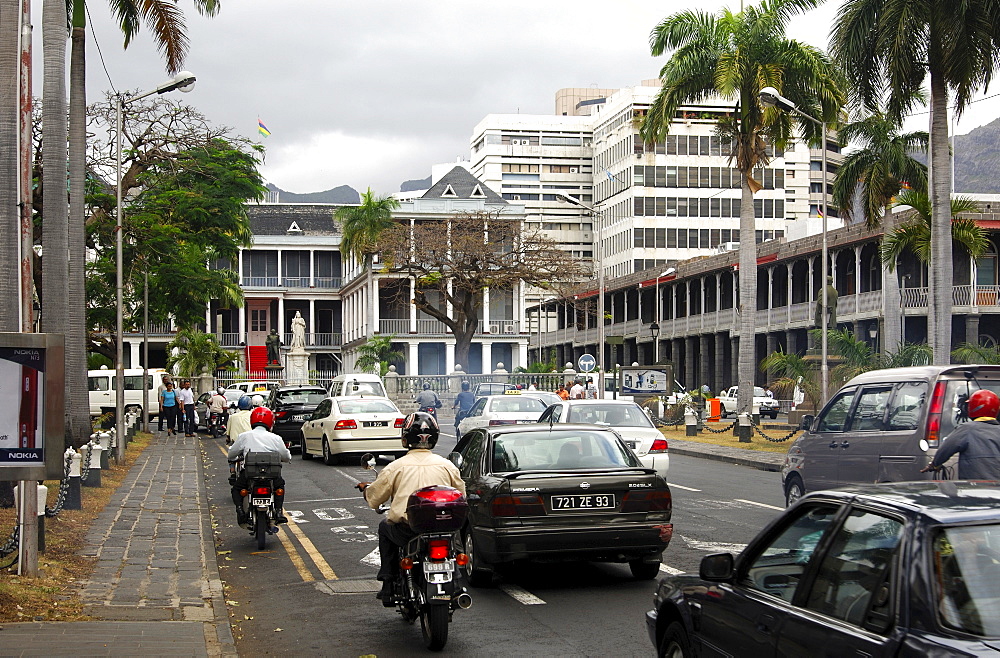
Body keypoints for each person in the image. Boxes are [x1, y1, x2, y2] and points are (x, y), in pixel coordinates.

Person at [356, 412, 465, 601]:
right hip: (444, 528)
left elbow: (374, 499)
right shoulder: (447, 466)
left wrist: (366, 490)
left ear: (406, 438)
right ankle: (456, 581)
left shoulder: (395, 467)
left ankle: (388, 583)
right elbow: (461, 496)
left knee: (384, 528)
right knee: (455, 539)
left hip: (408, 530)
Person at [227, 406, 291, 527]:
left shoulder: (244, 436)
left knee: (237, 488)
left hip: (250, 473)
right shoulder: (276, 438)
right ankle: (278, 512)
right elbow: (286, 457)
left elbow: (231, 454)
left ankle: (240, 511)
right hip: (271, 474)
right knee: (279, 486)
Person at [921, 389, 1000, 480]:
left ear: (972, 407)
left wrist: (935, 464)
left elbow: (946, 448)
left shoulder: (967, 429)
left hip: (975, 487)